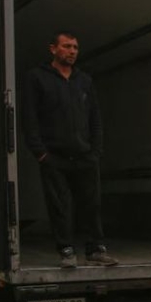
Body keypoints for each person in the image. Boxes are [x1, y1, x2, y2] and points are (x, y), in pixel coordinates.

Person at [22, 31, 117, 268]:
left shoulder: (84, 81)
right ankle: (66, 250)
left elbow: (95, 118)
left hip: (85, 156)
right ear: (53, 49)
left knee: (91, 204)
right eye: (67, 46)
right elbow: (29, 117)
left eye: (75, 47)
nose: (72, 51)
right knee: (60, 206)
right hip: (54, 156)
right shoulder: (37, 78)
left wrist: (96, 151)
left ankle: (95, 250)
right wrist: (40, 153)